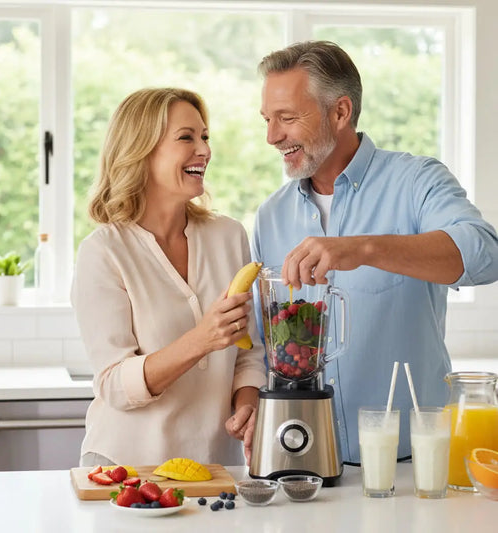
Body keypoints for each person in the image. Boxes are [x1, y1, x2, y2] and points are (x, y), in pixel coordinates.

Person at [251, 41, 498, 464]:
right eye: (268, 120)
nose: (273, 136)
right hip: (305, 466)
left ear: (341, 112)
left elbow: (485, 253)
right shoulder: (271, 216)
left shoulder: (417, 180)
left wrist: (365, 248)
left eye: (287, 118)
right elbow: (264, 345)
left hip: (413, 468)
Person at [71, 87, 266, 468]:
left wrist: (248, 404)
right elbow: (114, 384)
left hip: (213, 468)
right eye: (186, 138)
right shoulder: (104, 252)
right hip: (124, 469)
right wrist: (201, 339)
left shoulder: (228, 237)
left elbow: (248, 353)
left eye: (205, 137)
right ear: (142, 150)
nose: (205, 150)